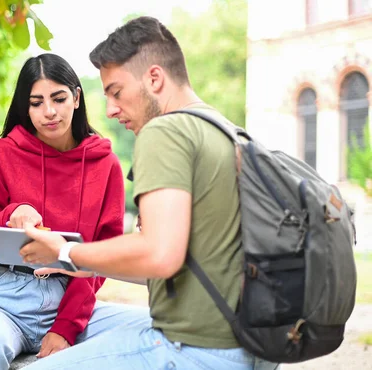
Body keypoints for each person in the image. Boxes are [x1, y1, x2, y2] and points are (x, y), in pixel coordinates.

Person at [19, 17, 279, 370]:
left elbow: (159, 255)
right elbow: (175, 262)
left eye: (116, 92)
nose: (109, 109)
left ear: (154, 78)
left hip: (192, 348)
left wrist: (65, 250)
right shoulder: (226, 131)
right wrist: (82, 263)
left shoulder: (163, 134)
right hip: (249, 349)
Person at [0, 53, 150, 370]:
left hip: (68, 301)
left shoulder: (105, 165)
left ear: (77, 97)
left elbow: (100, 257)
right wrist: (12, 214)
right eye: (36, 102)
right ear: (25, 107)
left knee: (156, 327)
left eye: (58, 98)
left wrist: (65, 328)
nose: (49, 112)